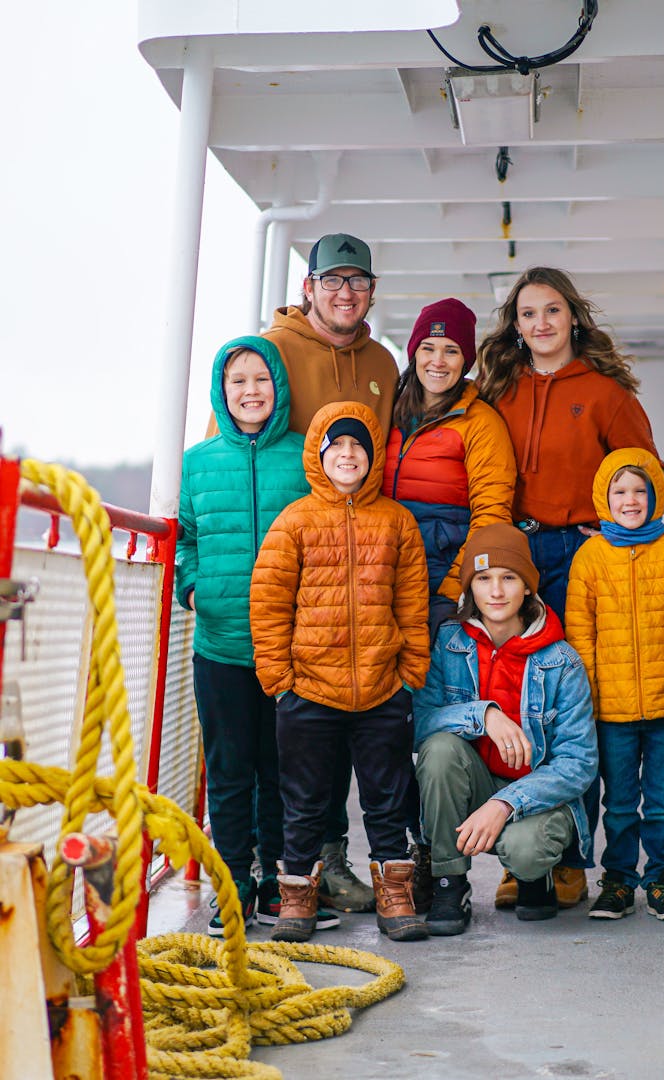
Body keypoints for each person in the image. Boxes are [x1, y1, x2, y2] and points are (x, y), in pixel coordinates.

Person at [206, 232, 398, 912]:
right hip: (284, 579)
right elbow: (222, 458)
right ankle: (276, 870)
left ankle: (327, 859)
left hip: (355, 574)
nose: (344, 292)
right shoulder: (274, 349)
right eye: (332, 280)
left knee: (337, 728)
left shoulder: (382, 362)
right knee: (278, 745)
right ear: (308, 288)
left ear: (371, 291)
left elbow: (384, 460)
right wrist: (198, 567)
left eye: (357, 281)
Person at [477, 265, 664, 910]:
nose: (541, 324)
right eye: (528, 314)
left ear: (573, 317)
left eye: (552, 310)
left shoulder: (606, 391)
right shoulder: (499, 389)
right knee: (520, 694)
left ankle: (570, 860)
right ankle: (521, 855)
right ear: (517, 326)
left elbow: (644, 470)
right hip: (517, 555)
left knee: (572, 699)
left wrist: (608, 527)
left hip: (583, 555)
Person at [250, 401, 431, 943]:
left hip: (381, 689)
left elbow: (412, 602)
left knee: (387, 798)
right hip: (309, 688)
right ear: (319, 456)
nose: (348, 455)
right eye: (337, 446)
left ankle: (394, 893)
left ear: (373, 456)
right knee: (304, 801)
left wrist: (409, 675)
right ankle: (298, 898)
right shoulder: (296, 521)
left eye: (358, 445)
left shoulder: (396, 521)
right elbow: (269, 603)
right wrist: (280, 681)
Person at [175, 335, 336, 936]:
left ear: (280, 388)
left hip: (292, 645)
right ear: (222, 389)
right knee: (229, 769)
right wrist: (192, 589)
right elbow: (186, 538)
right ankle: (234, 884)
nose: (250, 391)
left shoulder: (304, 457)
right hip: (219, 644)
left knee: (286, 770)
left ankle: (281, 883)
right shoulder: (198, 462)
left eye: (261, 380)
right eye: (238, 381)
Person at [381, 297, 517, 910]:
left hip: (441, 580)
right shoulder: (390, 408)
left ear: (466, 359)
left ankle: (445, 865)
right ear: (413, 350)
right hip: (383, 576)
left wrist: (449, 593)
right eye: (428, 347)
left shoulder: (479, 420)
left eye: (452, 350)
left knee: (434, 714)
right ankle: (402, 849)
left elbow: (490, 514)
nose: (438, 360)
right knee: (382, 721)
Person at [413, 523, 597, 936]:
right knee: (440, 749)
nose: (496, 591)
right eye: (483, 579)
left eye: (509, 577)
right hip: (473, 782)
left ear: (528, 587)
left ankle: (535, 875)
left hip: (536, 797)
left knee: (525, 851)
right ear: (469, 590)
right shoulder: (449, 644)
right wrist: (484, 715)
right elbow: (421, 724)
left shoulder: (562, 661)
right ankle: (449, 881)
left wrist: (506, 803)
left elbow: (579, 763)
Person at [565, 448, 664, 920]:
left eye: (640, 491)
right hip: (612, 712)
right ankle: (619, 881)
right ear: (604, 498)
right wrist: (584, 698)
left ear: (656, 495)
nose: (631, 500)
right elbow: (580, 632)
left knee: (663, 804)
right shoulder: (590, 557)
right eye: (620, 491)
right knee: (621, 803)